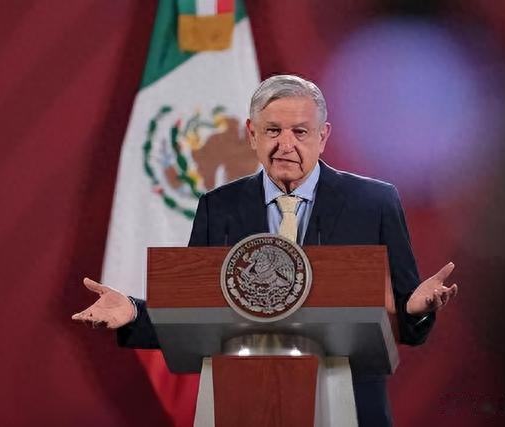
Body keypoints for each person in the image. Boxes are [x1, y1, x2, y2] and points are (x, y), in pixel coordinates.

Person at [73, 74, 458, 426]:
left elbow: (408, 320)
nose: (285, 145)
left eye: (300, 132)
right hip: (244, 403)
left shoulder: (374, 202)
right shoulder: (218, 207)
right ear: (252, 133)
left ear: (323, 136)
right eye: (273, 130)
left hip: (349, 406)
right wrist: (133, 312)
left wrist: (415, 309)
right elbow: (191, 312)